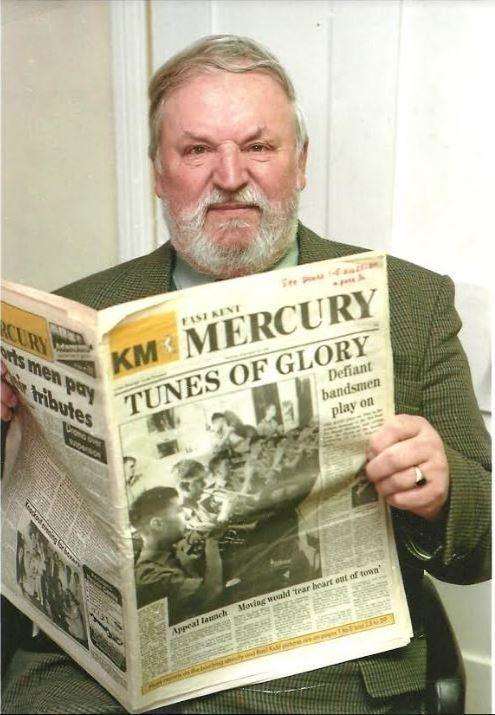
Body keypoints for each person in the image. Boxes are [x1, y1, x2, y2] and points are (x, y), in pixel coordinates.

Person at [1, 34, 490, 715]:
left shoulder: (408, 302)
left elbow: (480, 545)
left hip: (321, 677)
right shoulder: (78, 313)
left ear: (300, 163)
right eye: (196, 149)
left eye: (258, 147)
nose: (228, 176)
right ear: (157, 170)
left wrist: (439, 489)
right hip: (102, 679)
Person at [129, 487, 222, 625]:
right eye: (179, 510)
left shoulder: (168, 550)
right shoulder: (149, 575)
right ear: (158, 524)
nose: (187, 515)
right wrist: (212, 541)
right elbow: (212, 591)